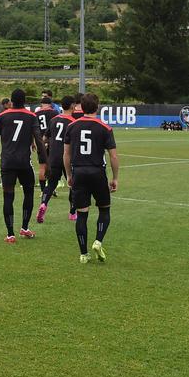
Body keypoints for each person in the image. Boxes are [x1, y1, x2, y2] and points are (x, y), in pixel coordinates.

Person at [64, 93, 120, 264]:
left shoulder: (72, 126)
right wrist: (115, 178)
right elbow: (113, 156)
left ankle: (83, 254)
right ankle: (98, 241)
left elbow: (66, 154)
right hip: (97, 172)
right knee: (104, 209)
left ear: (81, 106)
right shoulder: (105, 128)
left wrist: (69, 175)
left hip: (79, 172)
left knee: (81, 215)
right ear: (97, 107)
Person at [0, 89, 45, 243]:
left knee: (8, 196)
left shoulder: (2, 116)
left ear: (11, 102)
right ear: (25, 101)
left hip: (7, 162)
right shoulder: (31, 116)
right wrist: (45, 160)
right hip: (24, 163)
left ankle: (10, 234)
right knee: (28, 194)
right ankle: (25, 228)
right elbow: (39, 140)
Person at [36, 96, 78, 224]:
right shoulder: (73, 122)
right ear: (72, 106)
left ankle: (43, 204)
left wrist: (46, 148)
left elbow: (44, 138)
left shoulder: (54, 120)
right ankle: (72, 212)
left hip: (53, 157)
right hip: (67, 157)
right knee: (73, 184)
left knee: (51, 184)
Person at [35, 95, 59, 193]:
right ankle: (51, 189)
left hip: (40, 141)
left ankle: (42, 190)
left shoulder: (36, 113)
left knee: (42, 166)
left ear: (42, 104)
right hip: (52, 142)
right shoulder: (54, 113)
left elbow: (34, 129)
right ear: (50, 104)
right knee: (52, 166)